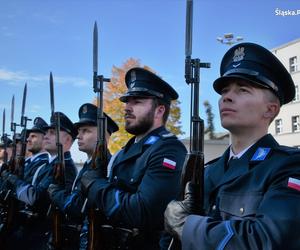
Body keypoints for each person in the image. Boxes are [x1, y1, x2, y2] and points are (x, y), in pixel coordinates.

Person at [164, 42, 300, 250]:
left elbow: (266, 240)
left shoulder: (289, 166)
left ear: (270, 110)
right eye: (225, 91)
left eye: (243, 90)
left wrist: (188, 227)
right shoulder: (208, 171)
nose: (226, 97)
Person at [80, 67, 187, 249]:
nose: (127, 108)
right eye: (127, 102)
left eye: (137, 102)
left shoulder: (169, 149)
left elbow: (143, 212)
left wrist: (95, 185)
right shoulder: (125, 151)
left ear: (159, 110)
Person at [47, 103, 118, 249]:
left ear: (102, 136)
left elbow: (78, 207)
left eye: (85, 131)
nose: (78, 136)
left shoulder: (107, 168)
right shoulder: (87, 165)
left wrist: (55, 193)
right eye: (79, 131)